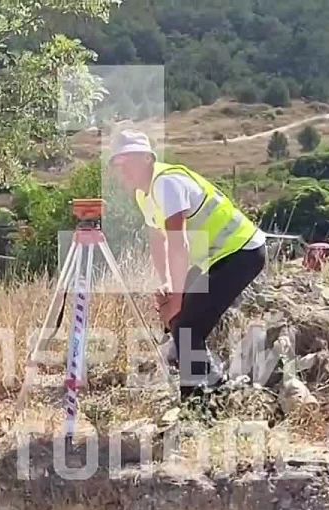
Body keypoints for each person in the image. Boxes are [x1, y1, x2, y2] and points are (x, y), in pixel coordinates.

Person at [107, 129, 267, 400]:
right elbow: (157, 240)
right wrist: (168, 284)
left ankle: (199, 404)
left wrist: (178, 299)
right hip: (213, 256)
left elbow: (177, 244)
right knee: (182, 324)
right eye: (118, 164)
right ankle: (212, 387)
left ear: (147, 159)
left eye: (129, 161)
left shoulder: (166, 184)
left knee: (187, 327)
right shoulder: (143, 194)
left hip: (241, 252)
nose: (124, 170)